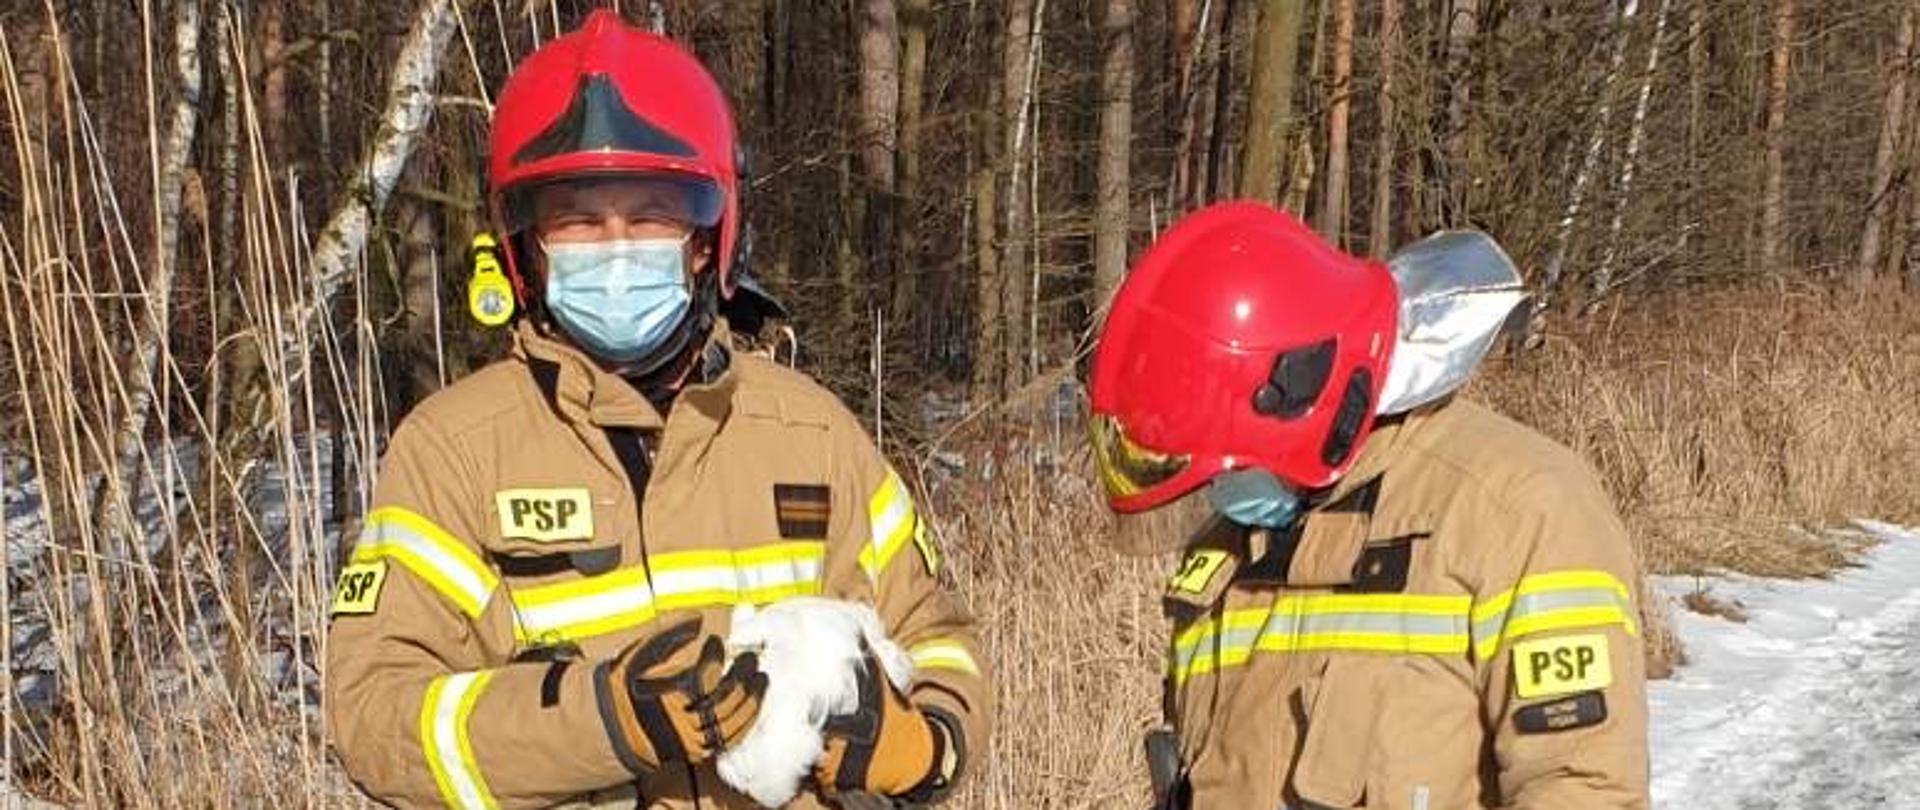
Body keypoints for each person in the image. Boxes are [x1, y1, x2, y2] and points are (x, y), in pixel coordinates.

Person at [325, 12, 987, 808]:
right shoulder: (453, 453)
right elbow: (375, 719)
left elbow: (940, 637)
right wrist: (600, 721)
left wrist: (925, 745)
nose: (614, 246)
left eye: (650, 214)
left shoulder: (811, 436)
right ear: (525, 243)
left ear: (707, 236)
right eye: (577, 217)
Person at [1087, 201, 1649, 809]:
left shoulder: (1520, 509)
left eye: (1231, 465)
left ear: (1299, 401)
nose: (1220, 496)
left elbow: (1585, 787)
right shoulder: (1232, 547)